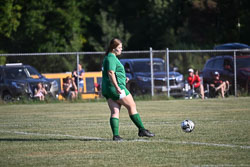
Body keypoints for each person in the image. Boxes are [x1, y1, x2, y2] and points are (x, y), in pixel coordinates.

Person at [102, 38, 155, 141]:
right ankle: (142, 129)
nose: (121, 49)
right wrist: (117, 86)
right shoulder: (111, 58)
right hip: (116, 89)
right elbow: (110, 73)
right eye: (120, 47)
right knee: (132, 106)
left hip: (108, 89)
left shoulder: (108, 57)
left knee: (115, 111)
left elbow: (113, 73)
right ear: (114, 48)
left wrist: (123, 78)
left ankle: (116, 135)